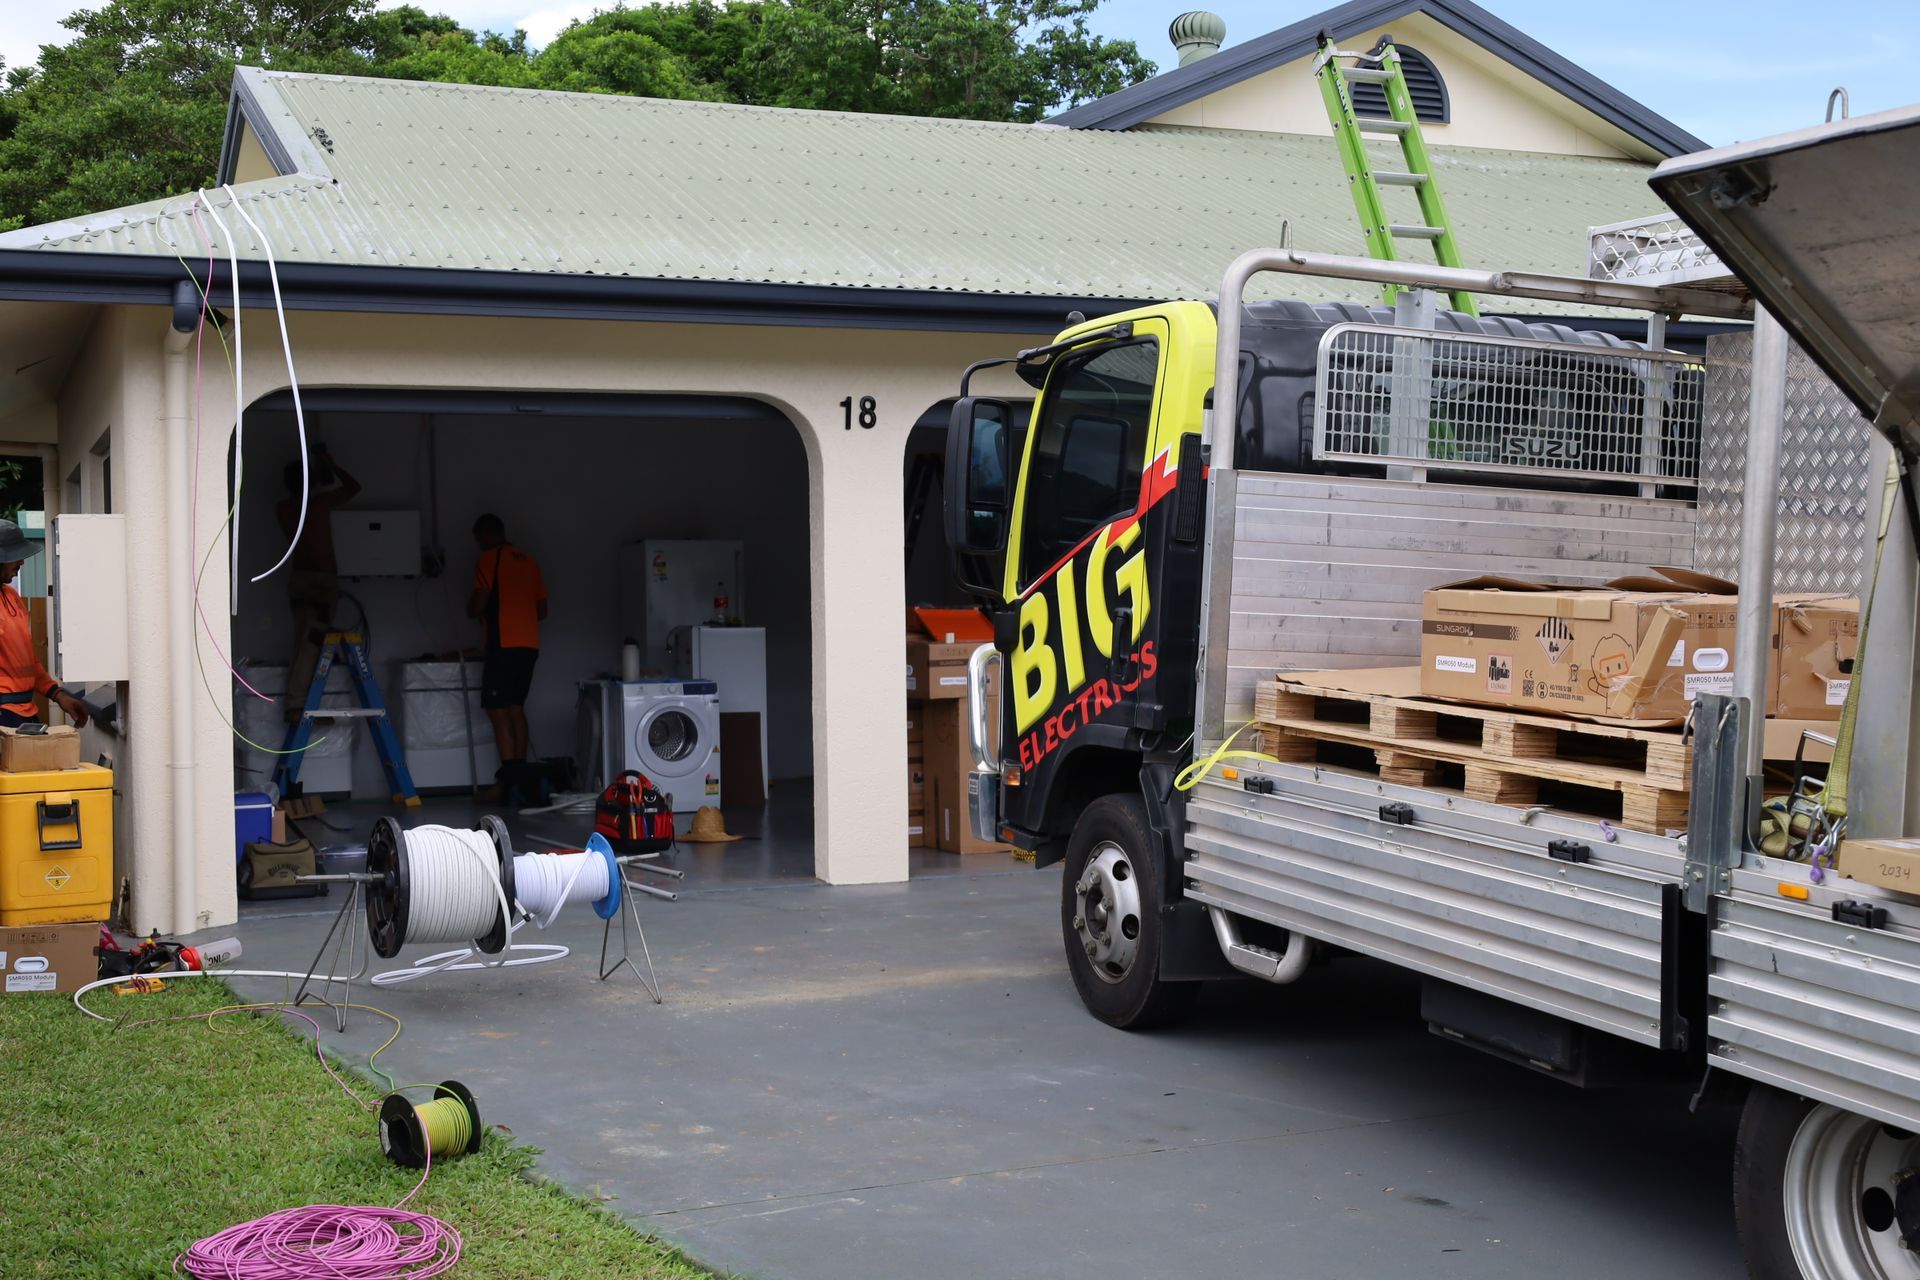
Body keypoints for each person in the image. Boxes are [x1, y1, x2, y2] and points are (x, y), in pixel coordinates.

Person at [275, 445, 360, 723]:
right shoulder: (318, 503)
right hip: (321, 583)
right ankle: (297, 707)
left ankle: (297, 704)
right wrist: (330, 464)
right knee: (311, 644)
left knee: (304, 642)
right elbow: (353, 487)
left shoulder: (284, 509)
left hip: (299, 580)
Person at [467, 513, 546, 768]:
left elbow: (479, 602)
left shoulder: (489, 559)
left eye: (479, 538)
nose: (479, 543)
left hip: (503, 646)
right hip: (529, 646)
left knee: (498, 711)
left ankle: (510, 777)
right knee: (516, 708)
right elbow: (542, 610)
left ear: (488, 533)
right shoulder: (529, 561)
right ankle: (520, 774)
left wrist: (470, 609)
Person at [0, 518, 89, 729]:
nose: (21, 562)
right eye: (15, 557)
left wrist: (57, 694)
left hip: (24, 713)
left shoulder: (11, 596)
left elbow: (27, 661)